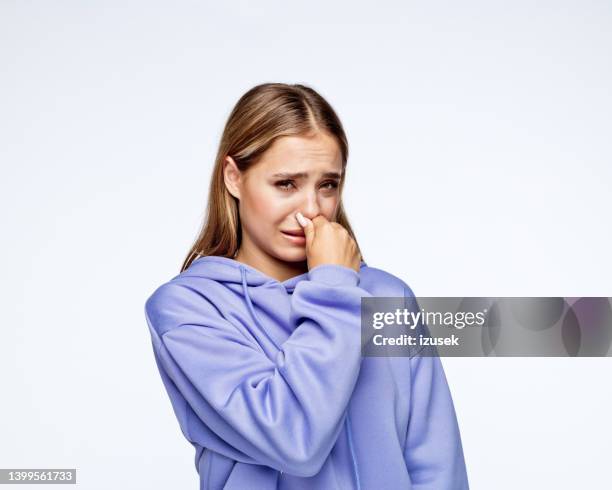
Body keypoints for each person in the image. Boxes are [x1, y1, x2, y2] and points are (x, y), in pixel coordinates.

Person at [144, 82, 469, 489]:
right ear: (233, 178)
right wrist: (334, 289)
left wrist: (341, 286)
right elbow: (294, 441)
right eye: (286, 184)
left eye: (327, 184)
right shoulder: (187, 309)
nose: (311, 209)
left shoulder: (387, 296)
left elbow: (436, 464)